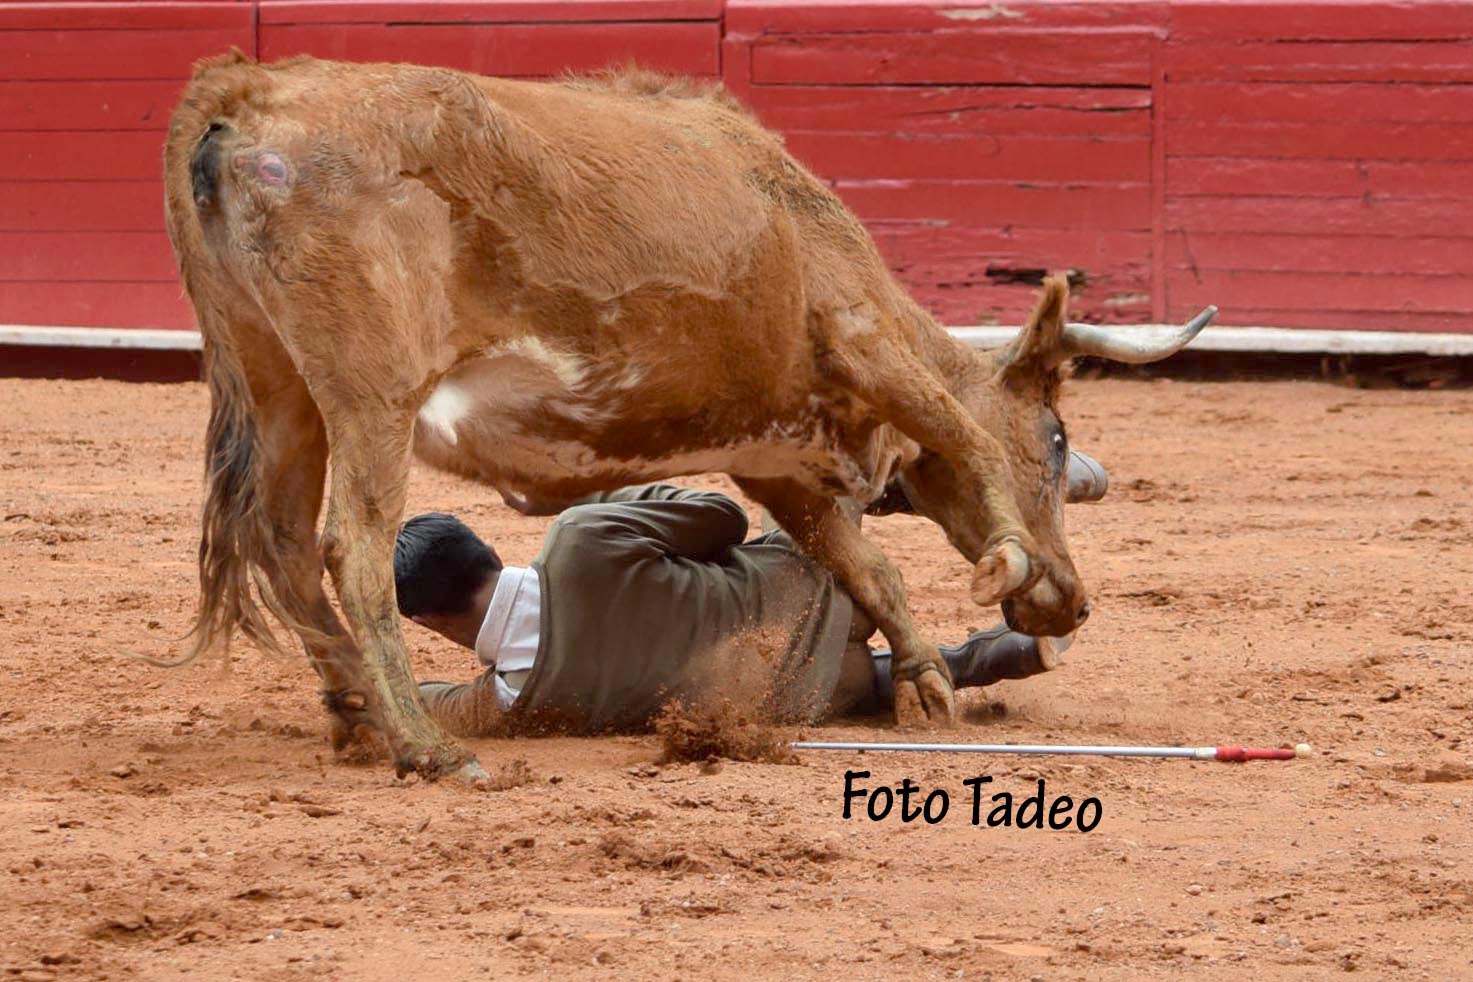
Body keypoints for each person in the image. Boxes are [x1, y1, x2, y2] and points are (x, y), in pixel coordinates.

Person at [393, 452, 1109, 737]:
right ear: (488, 551)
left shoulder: (515, 699)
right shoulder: (581, 539)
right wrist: (585, 498)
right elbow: (721, 518)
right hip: (820, 582)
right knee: (807, 477)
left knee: (822, 681)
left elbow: (414, 703)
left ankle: (995, 657)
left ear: (426, 621)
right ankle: (998, 479)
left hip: (803, 691)